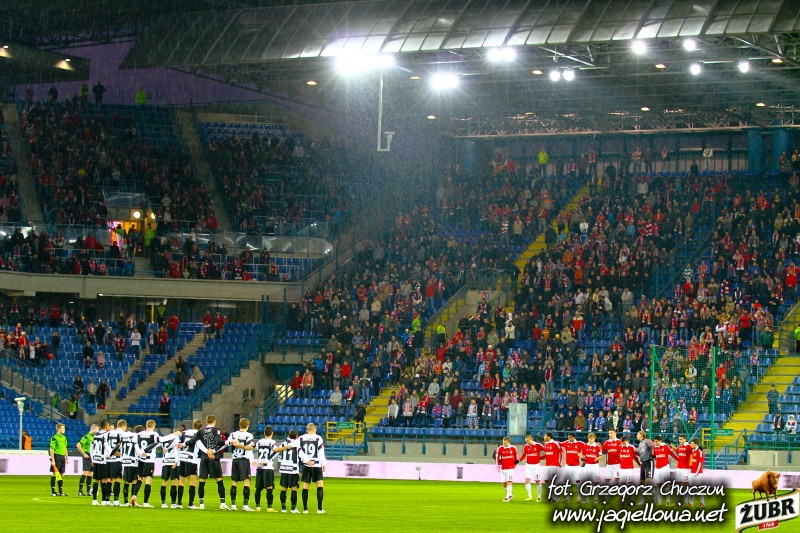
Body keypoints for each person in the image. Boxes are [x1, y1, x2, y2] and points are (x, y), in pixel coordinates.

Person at [183, 414, 229, 510]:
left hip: (204, 457)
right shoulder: (216, 430)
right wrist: (213, 449)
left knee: (202, 480)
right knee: (219, 479)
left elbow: (193, 440)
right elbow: (218, 440)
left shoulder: (201, 431)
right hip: (213, 456)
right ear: (214, 421)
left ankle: (201, 504)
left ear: (206, 422)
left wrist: (183, 444)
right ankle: (223, 503)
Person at [227, 417, 256, 511]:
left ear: (239, 425)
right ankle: (245, 505)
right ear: (247, 425)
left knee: (234, 481)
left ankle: (233, 505)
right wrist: (252, 458)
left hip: (235, 460)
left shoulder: (233, 434)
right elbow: (249, 448)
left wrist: (233, 442)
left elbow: (227, 442)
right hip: (244, 460)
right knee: (246, 481)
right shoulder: (249, 435)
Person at [299, 422, 327, 513]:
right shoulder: (318, 438)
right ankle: (319, 509)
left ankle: (305, 509)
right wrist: (324, 463)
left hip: (307, 464)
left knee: (305, 486)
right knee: (319, 485)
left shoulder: (301, 438)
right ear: (315, 430)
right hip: (316, 464)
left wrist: (306, 460)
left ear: (307, 430)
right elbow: (321, 453)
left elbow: (299, 451)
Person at [177, 419, 203, 509]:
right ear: (201, 427)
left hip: (182, 457)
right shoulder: (199, 434)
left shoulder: (184, 432)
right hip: (191, 458)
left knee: (181, 481)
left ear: (193, 425)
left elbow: (179, 444)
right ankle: (191, 504)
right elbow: (200, 445)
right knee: (193, 480)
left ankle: (179, 503)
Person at [155, 424, 182, 508]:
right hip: (173, 462)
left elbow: (158, 447)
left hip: (165, 462)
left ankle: (163, 503)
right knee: (174, 483)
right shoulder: (178, 440)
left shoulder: (164, 439)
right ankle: (173, 503)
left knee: (164, 483)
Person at [275, 429, 301, 513]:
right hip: (293, 469)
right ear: (297, 436)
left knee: (283, 489)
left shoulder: (283, 444)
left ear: (288, 435)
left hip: (284, 469)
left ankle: (283, 508)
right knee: (294, 489)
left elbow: (278, 453)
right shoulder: (298, 444)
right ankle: (293, 508)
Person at [254, 426, 278, 512]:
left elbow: (253, 447)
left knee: (258, 488)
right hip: (268, 467)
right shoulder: (272, 442)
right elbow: (276, 451)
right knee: (269, 487)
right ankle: (269, 507)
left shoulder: (259, 442)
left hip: (259, 467)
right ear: (272, 433)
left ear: (264, 433)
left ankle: (258, 507)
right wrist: (267, 460)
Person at [118, 420, 139, 506]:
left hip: (125, 461)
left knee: (127, 481)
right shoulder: (136, 437)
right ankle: (132, 500)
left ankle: (126, 501)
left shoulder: (124, 437)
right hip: (133, 461)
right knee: (134, 480)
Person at [518, 434, 544, 502]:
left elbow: (547, 451)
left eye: (528, 441)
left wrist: (541, 458)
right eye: (526, 441)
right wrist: (518, 460)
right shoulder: (526, 446)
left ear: (531, 439)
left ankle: (539, 497)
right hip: (528, 466)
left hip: (536, 466)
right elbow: (524, 455)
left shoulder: (538, 445)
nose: (527, 442)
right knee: (527, 480)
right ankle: (530, 497)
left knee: (537, 481)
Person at [652, 435, 678, 505]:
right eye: (654, 441)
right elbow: (654, 456)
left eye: (657, 441)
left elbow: (672, 454)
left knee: (666, 485)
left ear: (660, 441)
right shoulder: (655, 447)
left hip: (665, 467)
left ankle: (667, 501)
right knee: (658, 484)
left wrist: (679, 460)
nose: (655, 443)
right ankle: (659, 502)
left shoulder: (665, 447)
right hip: (657, 468)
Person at [89, 420, 110, 506]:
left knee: (96, 480)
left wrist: (92, 459)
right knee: (104, 479)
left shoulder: (95, 435)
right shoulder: (106, 435)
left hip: (96, 459)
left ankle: (94, 500)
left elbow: (91, 447)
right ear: (107, 426)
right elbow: (107, 446)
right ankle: (104, 500)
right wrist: (111, 453)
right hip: (103, 460)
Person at [580, 433, 602, 504]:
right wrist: (581, 456)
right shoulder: (585, 446)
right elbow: (583, 455)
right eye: (589, 438)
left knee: (596, 482)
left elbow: (600, 456)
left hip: (595, 466)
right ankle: (587, 499)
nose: (590, 440)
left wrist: (597, 458)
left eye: (592, 438)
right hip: (587, 465)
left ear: (594, 439)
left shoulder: (597, 447)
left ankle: (596, 499)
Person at [560, 433, 584, 503]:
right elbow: (559, 443)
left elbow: (586, 447)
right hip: (568, 466)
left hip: (576, 466)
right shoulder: (566, 443)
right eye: (568, 437)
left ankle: (579, 498)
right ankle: (567, 498)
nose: (569, 439)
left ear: (574, 437)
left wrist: (583, 456)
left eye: (570, 437)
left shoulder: (580, 443)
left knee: (578, 482)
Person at [106, 420, 124, 505]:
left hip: (108, 460)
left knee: (109, 480)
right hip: (116, 460)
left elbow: (104, 445)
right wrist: (115, 453)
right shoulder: (120, 434)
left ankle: (107, 500)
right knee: (117, 479)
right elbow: (121, 445)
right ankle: (116, 500)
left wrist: (109, 453)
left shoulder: (106, 434)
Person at [76, 424, 98, 496]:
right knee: (85, 472)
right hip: (87, 455)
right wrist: (84, 454)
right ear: (92, 429)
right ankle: (80, 491)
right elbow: (78, 445)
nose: (97, 431)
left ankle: (88, 491)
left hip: (93, 456)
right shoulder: (86, 437)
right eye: (96, 430)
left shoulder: (95, 437)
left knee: (90, 473)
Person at [671, 434, 692, 506]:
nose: (680, 441)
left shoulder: (688, 446)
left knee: (685, 485)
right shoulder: (680, 446)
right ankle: (677, 501)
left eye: (681, 439)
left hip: (685, 469)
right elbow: (676, 450)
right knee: (677, 485)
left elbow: (693, 453)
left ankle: (686, 502)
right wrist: (672, 445)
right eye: (679, 439)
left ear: (685, 439)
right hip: (679, 468)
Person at [636, 430, 655, 504]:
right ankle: (643, 500)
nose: (636, 436)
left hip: (649, 463)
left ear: (641, 435)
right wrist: (635, 452)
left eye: (637, 434)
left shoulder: (647, 441)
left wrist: (654, 455)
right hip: (643, 463)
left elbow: (655, 446)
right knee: (642, 482)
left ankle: (653, 499)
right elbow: (642, 454)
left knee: (648, 481)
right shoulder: (640, 443)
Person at [495, 436, 517, 502]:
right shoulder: (500, 448)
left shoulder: (513, 448)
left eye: (505, 442)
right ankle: (510, 494)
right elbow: (497, 458)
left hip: (510, 468)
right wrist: (498, 466)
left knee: (509, 481)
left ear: (509, 442)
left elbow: (516, 457)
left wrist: (515, 464)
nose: (504, 443)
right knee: (504, 483)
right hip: (503, 468)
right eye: (503, 442)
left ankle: (507, 497)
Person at [49, 423, 68, 496]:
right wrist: (53, 460)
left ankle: (60, 491)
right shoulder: (54, 438)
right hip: (56, 456)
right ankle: (53, 491)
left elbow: (65, 448)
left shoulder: (64, 438)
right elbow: (51, 449)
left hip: (62, 457)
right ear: (58, 429)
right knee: (55, 474)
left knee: (62, 474)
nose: (64, 430)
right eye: (63, 428)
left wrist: (67, 457)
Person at [542, 432, 561, 502]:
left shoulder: (555, 443)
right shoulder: (546, 444)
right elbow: (547, 454)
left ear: (549, 437)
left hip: (554, 465)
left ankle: (556, 498)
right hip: (547, 465)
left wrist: (560, 463)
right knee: (547, 481)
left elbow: (561, 452)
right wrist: (540, 458)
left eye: (545, 436)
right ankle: (550, 497)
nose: (544, 437)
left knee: (554, 481)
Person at [688, 438, 705, 507]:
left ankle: (702, 503)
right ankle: (691, 503)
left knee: (699, 488)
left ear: (696, 444)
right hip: (692, 472)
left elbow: (700, 463)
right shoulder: (692, 451)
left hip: (698, 473)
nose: (691, 445)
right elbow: (691, 462)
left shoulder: (700, 452)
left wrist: (696, 473)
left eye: (692, 444)